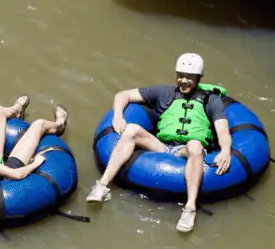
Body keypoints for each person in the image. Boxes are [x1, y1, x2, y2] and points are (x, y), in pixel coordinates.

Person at [86, 53, 233, 233]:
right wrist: (117, 116)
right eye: (180, 75)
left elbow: (223, 130)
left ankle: (190, 208)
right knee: (131, 129)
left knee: (194, 145)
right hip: (162, 146)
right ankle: (102, 186)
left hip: (186, 149)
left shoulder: (211, 101)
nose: (184, 81)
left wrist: (225, 150)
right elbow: (122, 95)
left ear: (199, 78)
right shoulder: (164, 92)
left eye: (189, 77)